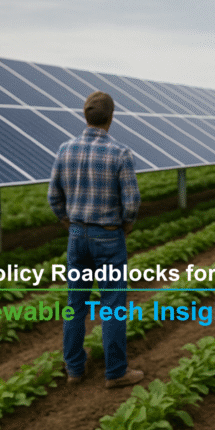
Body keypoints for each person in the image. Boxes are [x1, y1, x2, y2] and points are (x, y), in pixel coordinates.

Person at [48, 91, 144, 388]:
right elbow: (132, 201)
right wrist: (125, 226)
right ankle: (115, 372)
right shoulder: (120, 153)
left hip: (77, 235)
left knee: (75, 303)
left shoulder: (65, 150)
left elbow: (54, 197)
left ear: (84, 115)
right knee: (112, 304)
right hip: (108, 237)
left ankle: (74, 369)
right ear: (111, 118)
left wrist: (70, 223)